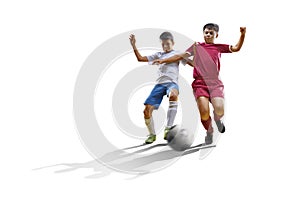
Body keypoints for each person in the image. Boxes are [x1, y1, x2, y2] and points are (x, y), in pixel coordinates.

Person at [153, 23, 246, 144]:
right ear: (203, 33)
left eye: (211, 33)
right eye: (206, 32)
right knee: (204, 113)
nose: (208, 34)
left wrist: (242, 35)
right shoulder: (196, 46)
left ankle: (218, 120)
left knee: (219, 110)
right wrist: (163, 60)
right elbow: (180, 56)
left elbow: (236, 48)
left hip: (215, 83)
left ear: (216, 35)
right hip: (200, 84)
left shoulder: (218, 47)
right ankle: (209, 131)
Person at [129, 31, 187, 144]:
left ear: (173, 43)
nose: (165, 46)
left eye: (168, 44)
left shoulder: (178, 54)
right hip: (159, 85)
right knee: (146, 111)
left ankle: (168, 128)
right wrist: (134, 46)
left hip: (172, 83)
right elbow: (140, 58)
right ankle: (152, 134)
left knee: (173, 95)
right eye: (163, 44)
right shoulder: (158, 55)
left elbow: (192, 62)